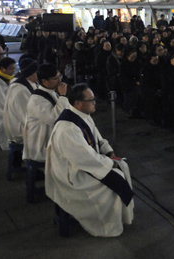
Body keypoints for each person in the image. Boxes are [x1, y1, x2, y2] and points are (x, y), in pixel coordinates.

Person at [46, 84, 134, 237]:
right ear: (78, 103)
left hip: (86, 164)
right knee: (115, 179)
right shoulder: (68, 128)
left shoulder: (82, 115)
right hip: (72, 175)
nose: (95, 102)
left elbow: (98, 138)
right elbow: (84, 158)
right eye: (91, 100)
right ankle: (106, 225)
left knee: (122, 167)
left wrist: (109, 152)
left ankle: (122, 216)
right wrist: (110, 163)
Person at [22, 65, 70, 164]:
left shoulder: (51, 92)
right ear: (44, 81)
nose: (60, 81)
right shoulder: (36, 100)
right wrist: (63, 96)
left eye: (60, 76)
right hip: (41, 145)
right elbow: (54, 118)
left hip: (50, 138)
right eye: (55, 78)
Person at [2, 58, 39, 168]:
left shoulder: (26, 83)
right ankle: (35, 165)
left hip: (21, 123)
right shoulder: (20, 89)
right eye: (37, 72)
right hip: (18, 128)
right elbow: (26, 116)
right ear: (31, 74)